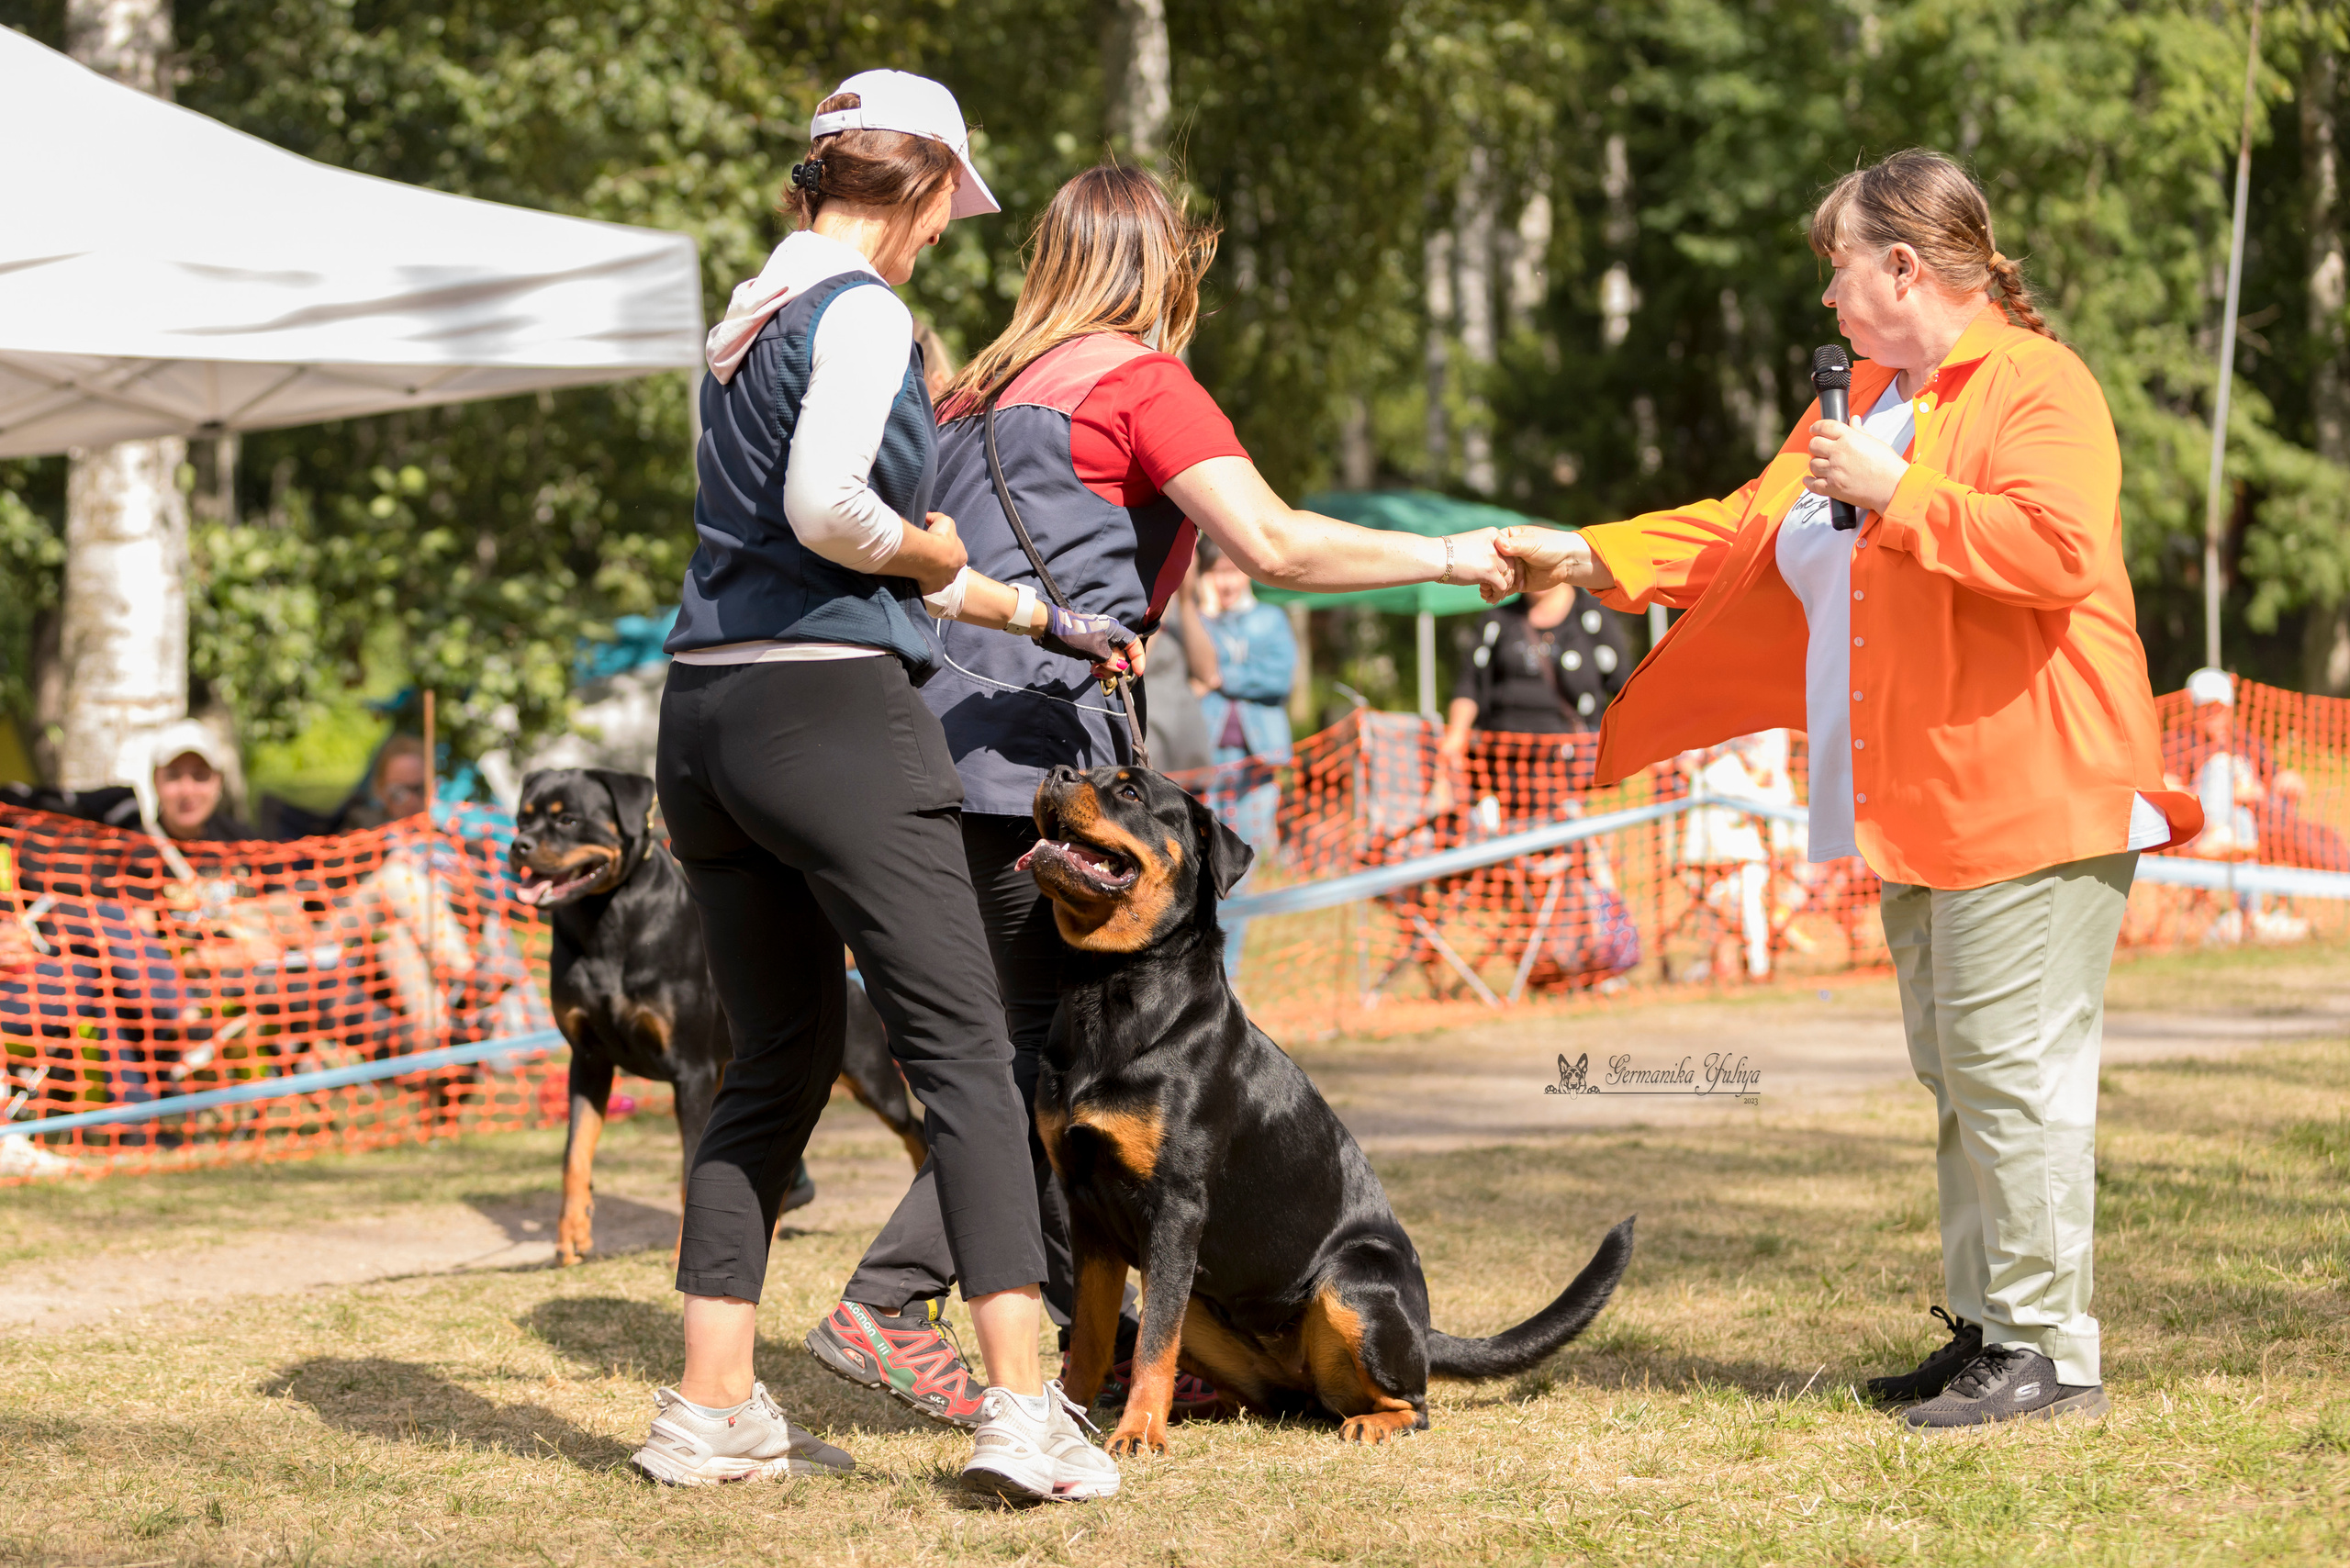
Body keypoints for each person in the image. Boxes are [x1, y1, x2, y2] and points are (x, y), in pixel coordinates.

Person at [808, 162, 1519, 1434]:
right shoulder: (1140, 383)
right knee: (1040, 1087)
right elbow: (1279, 544)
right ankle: (890, 1299)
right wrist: (1456, 554)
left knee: (1027, 1071)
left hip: (935, 754)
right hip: (1054, 777)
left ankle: (1079, 1343)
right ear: (1166, 271)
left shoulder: (971, 392)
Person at [1494, 149, 2200, 1430]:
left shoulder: (2039, 386)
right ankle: (1991, 1328)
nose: (1826, 297)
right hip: (1925, 799)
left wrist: (1903, 496)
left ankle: (2050, 1348)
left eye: (1836, 266)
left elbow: (2058, 553)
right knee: (1962, 1075)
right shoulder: (1876, 399)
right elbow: (1743, 531)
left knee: (2011, 1074)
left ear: (1902, 266)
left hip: (2031, 791)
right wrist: (1589, 553)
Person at [641, 71, 1142, 1500]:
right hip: (830, 721)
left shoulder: (749, 316)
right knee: (974, 1063)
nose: (941, 241)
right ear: (920, 190)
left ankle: (710, 1412)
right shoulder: (863, 310)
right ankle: (1023, 1414)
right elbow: (835, 516)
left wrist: (1036, 620)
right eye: (947, 212)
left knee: (776, 1068)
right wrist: (926, 558)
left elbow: (805, 539)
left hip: (706, 724)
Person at [149, 721, 258, 843]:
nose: (187, 791)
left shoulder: (244, 845)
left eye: (200, 776)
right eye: (174, 776)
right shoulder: (131, 853)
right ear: (155, 780)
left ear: (219, 781)